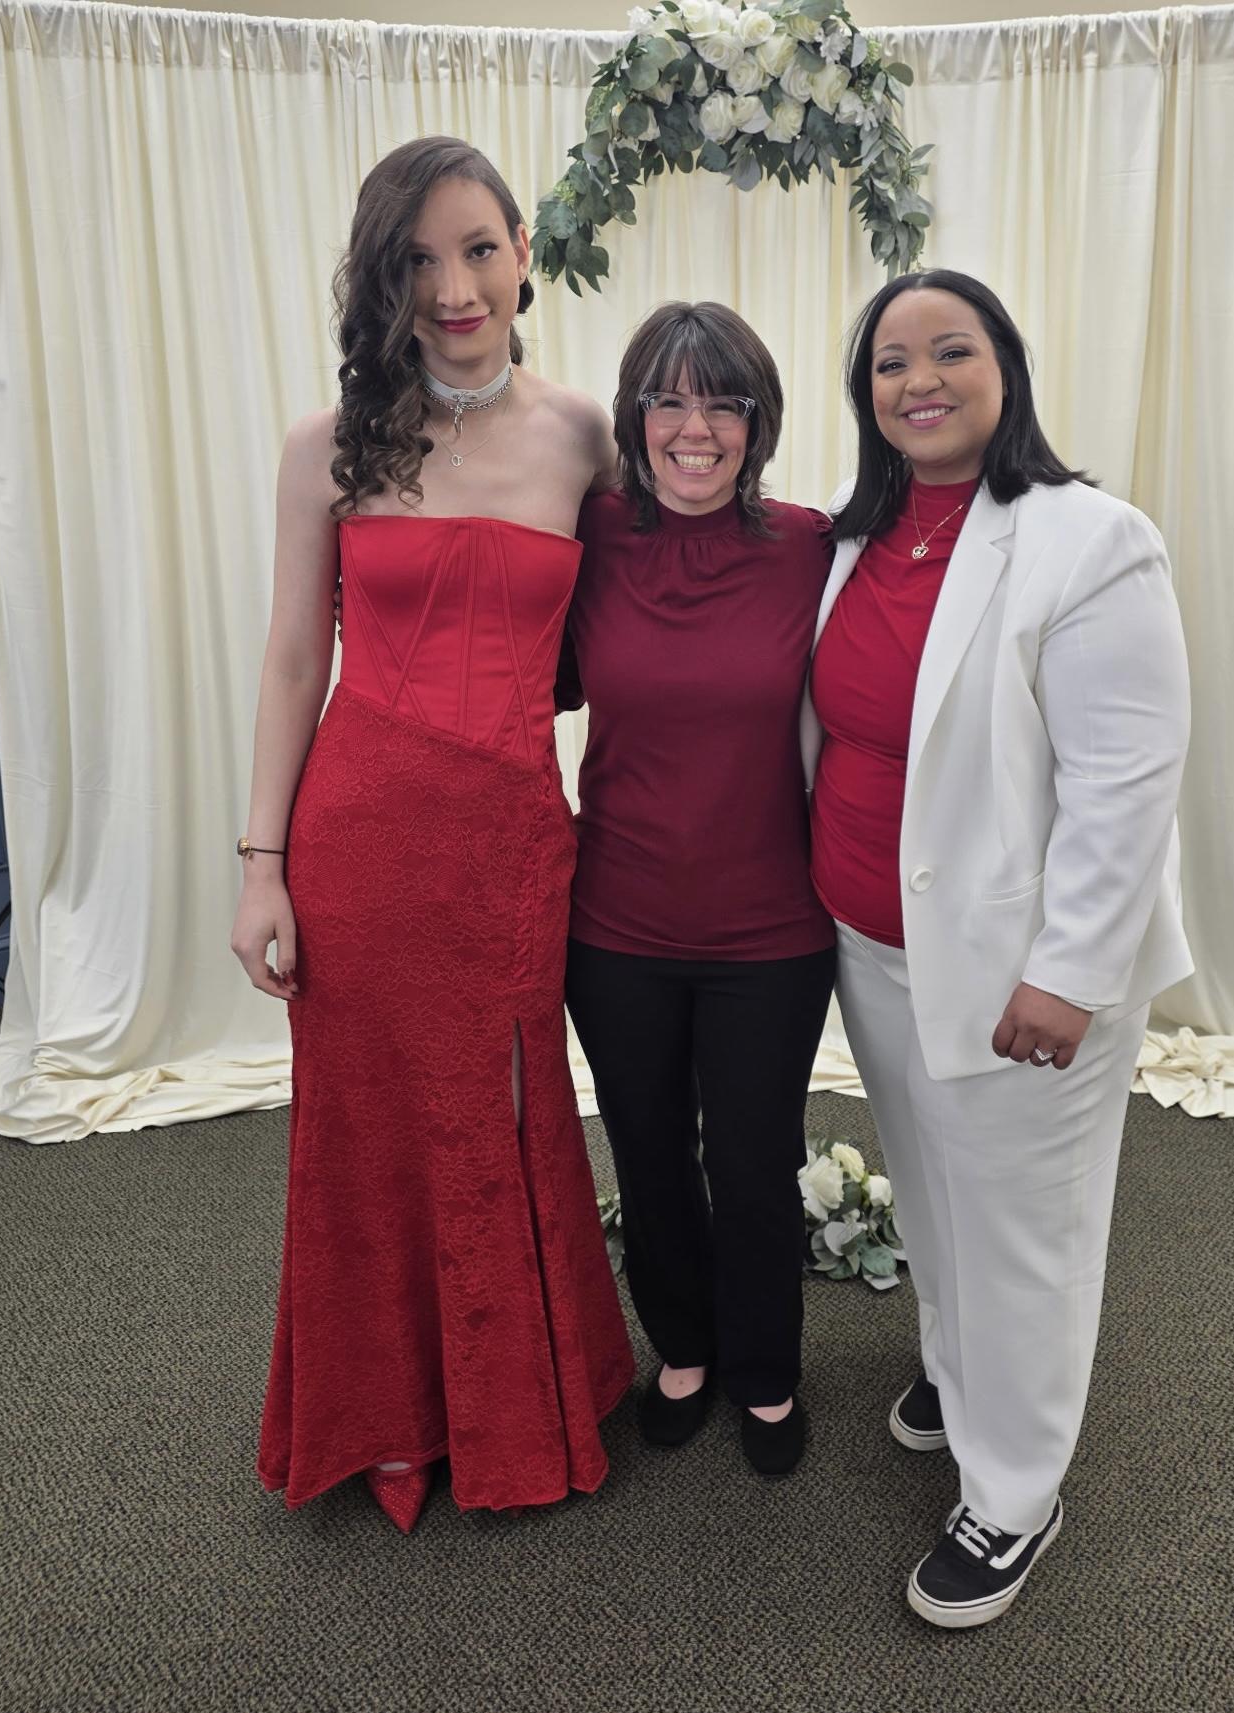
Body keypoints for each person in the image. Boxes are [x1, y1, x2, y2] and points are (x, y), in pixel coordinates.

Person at [230, 136, 634, 1533]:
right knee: (363, 1124)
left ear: (524, 253)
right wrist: (262, 868)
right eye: (415, 261)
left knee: (510, 1111)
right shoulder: (326, 447)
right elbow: (295, 660)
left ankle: (518, 1403)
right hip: (359, 838)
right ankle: (390, 1414)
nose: (452, 289)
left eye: (475, 250)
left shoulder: (584, 437)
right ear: (380, 280)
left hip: (511, 841)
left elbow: (638, 629)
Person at [805, 270, 1191, 1624]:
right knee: (930, 1190)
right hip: (874, 945)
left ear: (1004, 369)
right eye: (888, 362)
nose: (917, 380)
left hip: (1019, 972)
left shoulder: (1089, 541)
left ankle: (1014, 1490)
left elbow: (1124, 781)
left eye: (949, 351)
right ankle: (960, 1373)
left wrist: (1069, 972)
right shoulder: (856, 531)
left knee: (1024, 1227)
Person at [557, 302, 835, 1477]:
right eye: (667, 401)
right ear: (634, 417)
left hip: (771, 929)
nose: (694, 429)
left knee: (755, 1160)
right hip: (614, 921)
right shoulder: (589, 535)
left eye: (723, 403)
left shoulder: (810, 547)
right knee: (647, 1147)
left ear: (757, 423)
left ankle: (764, 1366)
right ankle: (681, 1346)